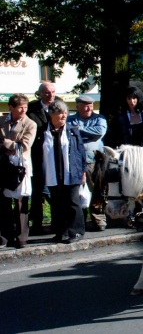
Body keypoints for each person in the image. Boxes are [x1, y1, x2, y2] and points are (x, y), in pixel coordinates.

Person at [44, 99, 87, 244]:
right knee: (57, 204)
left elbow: (81, 152)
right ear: (51, 114)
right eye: (60, 113)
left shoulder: (72, 131)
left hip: (71, 173)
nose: (63, 116)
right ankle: (61, 232)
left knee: (73, 202)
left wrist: (83, 171)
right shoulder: (43, 132)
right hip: (53, 174)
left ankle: (76, 232)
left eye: (65, 113)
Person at [0, 94, 36, 248]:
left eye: (25, 107)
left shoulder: (30, 124)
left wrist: (5, 143)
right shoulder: (2, 121)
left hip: (21, 167)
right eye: (20, 107)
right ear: (11, 107)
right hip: (3, 165)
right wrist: (10, 147)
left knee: (21, 203)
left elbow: (25, 145)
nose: (23, 110)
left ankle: (21, 238)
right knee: (4, 203)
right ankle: (5, 237)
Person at [67, 95, 108, 231]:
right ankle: (80, 221)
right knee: (77, 193)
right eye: (85, 105)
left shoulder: (99, 119)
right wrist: (82, 132)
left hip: (94, 161)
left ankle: (99, 219)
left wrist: (79, 130)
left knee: (97, 190)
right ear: (77, 106)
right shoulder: (70, 119)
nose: (89, 107)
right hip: (75, 161)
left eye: (90, 105)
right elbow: (69, 134)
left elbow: (99, 132)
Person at [26, 82, 56, 235]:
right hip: (37, 156)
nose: (50, 95)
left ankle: (58, 222)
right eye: (46, 92)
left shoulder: (59, 106)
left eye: (52, 92)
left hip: (55, 155)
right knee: (37, 191)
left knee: (54, 190)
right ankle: (36, 224)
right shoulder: (31, 109)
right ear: (40, 94)